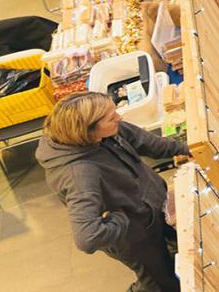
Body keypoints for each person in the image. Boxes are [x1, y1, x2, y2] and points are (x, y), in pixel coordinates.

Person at [39, 92, 191, 292]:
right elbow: (87, 237)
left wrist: (186, 149)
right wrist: (122, 220)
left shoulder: (105, 131)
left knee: (182, 252)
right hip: (136, 239)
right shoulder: (80, 174)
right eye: (111, 117)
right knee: (162, 283)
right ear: (88, 131)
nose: (119, 117)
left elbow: (144, 141)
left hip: (155, 209)